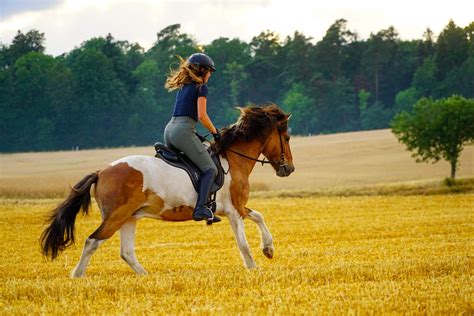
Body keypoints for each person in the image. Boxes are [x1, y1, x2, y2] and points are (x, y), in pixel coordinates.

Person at [164, 53, 221, 223]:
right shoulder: (201, 88)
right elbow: (202, 115)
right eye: (209, 71)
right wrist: (216, 133)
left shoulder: (184, 87)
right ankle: (200, 208)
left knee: (196, 162)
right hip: (182, 131)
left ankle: (204, 203)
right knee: (210, 169)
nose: (210, 75)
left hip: (170, 130)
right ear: (202, 70)